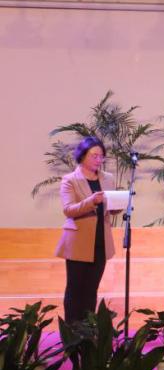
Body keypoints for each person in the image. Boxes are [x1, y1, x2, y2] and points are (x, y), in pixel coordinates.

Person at [56, 136, 118, 322]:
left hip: (100, 242)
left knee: (91, 290)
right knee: (75, 291)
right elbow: (68, 210)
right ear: (82, 156)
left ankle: (89, 332)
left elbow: (110, 208)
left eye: (101, 156)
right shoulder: (70, 180)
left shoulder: (108, 179)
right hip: (78, 244)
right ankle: (72, 333)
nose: (98, 160)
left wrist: (119, 203)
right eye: (94, 156)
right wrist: (91, 201)